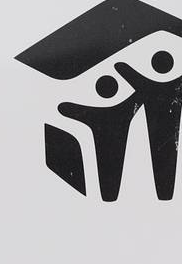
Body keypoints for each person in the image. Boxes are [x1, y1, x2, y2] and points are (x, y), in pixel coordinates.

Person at [113, 51, 182, 200]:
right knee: (167, 161)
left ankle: (164, 196)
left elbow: (125, 71)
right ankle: (166, 196)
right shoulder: (178, 87)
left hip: (158, 134)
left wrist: (121, 67)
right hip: (169, 136)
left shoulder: (146, 87)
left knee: (162, 161)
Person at [56, 73, 142, 202]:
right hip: (116, 146)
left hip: (105, 146)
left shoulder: (93, 114)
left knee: (108, 178)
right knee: (112, 176)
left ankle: (108, 198)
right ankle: (109, 197)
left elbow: (64, 108)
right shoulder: (126, 107)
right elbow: (140, 93)